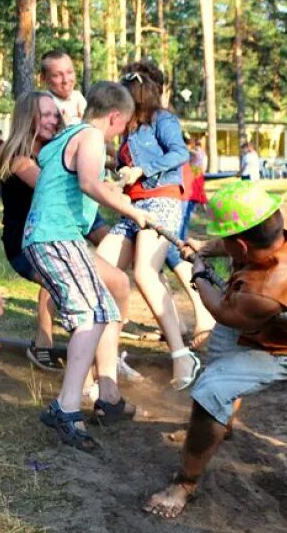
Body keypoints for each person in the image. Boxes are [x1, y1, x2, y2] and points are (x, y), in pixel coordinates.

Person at [143, 181, 287, 519]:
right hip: (251, 326)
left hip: (279, 350)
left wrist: (198, 274)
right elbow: (244, 240)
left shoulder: (265, 290)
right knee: (220, 371)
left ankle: (185, 484)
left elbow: (223, 313)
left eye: (226, 241)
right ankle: (221, 423)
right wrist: (206, 248)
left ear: (238, 245)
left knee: (210, 391)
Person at [22, 81, 149, 451]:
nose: (119, 133)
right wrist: (133, 212)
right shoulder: (92, 138)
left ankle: (104, 397)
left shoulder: (67, 138)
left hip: (55, 237)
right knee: (89, 317)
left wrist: (119, 190)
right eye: (122, 126)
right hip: (56, 237)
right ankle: (65, 407)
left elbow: (90, 182)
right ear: (114, 117)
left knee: (105, 311)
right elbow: (90, 183)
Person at [0, 92, 117, 371]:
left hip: (56, 236)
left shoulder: (52, 150)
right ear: (28, 118)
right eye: (45, 114)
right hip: (26, 244)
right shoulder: (17, 156)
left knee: (104, 273)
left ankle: (98, 358)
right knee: (63, 280)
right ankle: (49, 347)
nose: (53, 120)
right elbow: (50, 187)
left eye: (55, 114)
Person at [96, 60, 197, 390]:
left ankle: (182, 355)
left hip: (163, 199)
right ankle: (106, 359)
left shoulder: (162, 120)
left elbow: (181, 153)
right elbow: (124, 169)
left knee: (144, 272)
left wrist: (144, 169)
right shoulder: (126, 128)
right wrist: (118, 177)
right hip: (133, 206)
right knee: (101, 268)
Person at [163, 137, 215, 351]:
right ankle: (173, 323)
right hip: (172, 188)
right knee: (151, 262)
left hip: (177, 190)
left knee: (172, 251)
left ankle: (204, 315)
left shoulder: (165, 130)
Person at [40, 50, 87, 126]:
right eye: (57, 75)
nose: (65, 80)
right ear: (43, 78)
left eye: (69, 72)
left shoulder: (77, 96)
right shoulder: (43, 103)